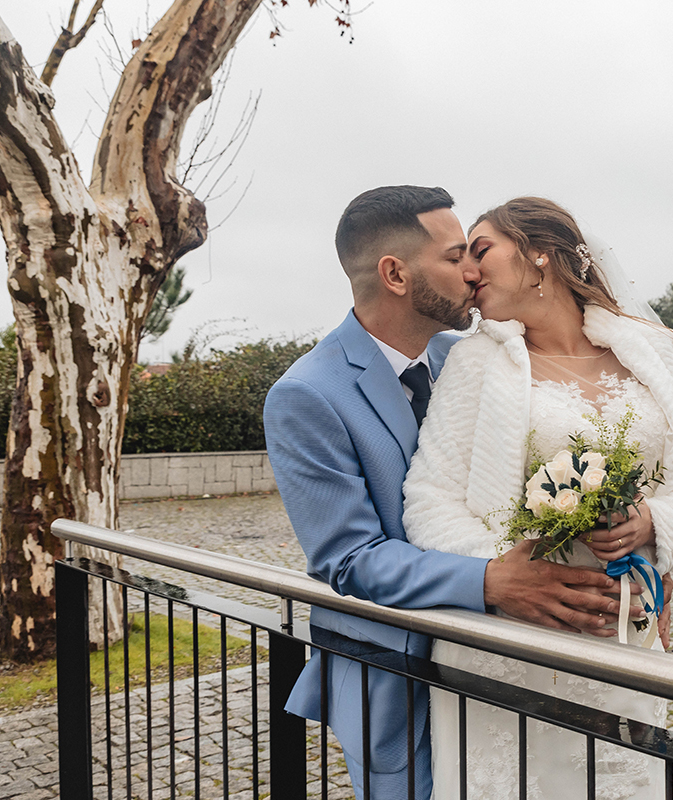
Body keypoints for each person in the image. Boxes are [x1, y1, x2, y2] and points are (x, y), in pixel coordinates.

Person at [264, 186, 631, 800]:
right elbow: (349, 557)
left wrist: (634, 557)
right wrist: (491, 581)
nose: (473, 271)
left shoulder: (470, 356)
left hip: (509, 657)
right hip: (395, 667)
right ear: (395, 274)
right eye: (456, 255)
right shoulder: (307, 395)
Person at [403, 196, 673, 799]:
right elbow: (428, 500)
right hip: (512, 644)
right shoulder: (475, 363)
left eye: (482, 251)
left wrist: (655, 524)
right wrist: (510, 573)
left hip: (626, 639)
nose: (469, 272)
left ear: (542, 255)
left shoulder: (656, 353)